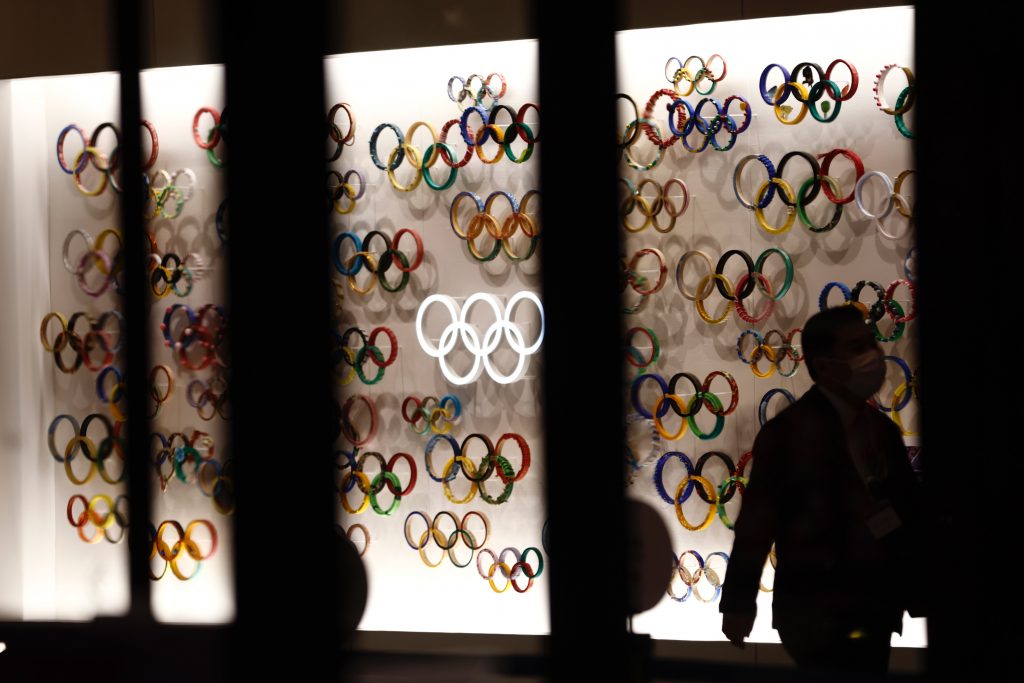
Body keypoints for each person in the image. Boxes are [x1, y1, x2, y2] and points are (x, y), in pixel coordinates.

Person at [719, 305, 926, 673]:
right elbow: (757, 523)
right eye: (857, 347)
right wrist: (737, 603)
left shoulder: (882, 432)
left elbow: (908, 512)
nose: (872, 356)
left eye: (870, 343)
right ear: (825, 365)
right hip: (814, 611)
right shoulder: (788, 434)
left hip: (874, 606)